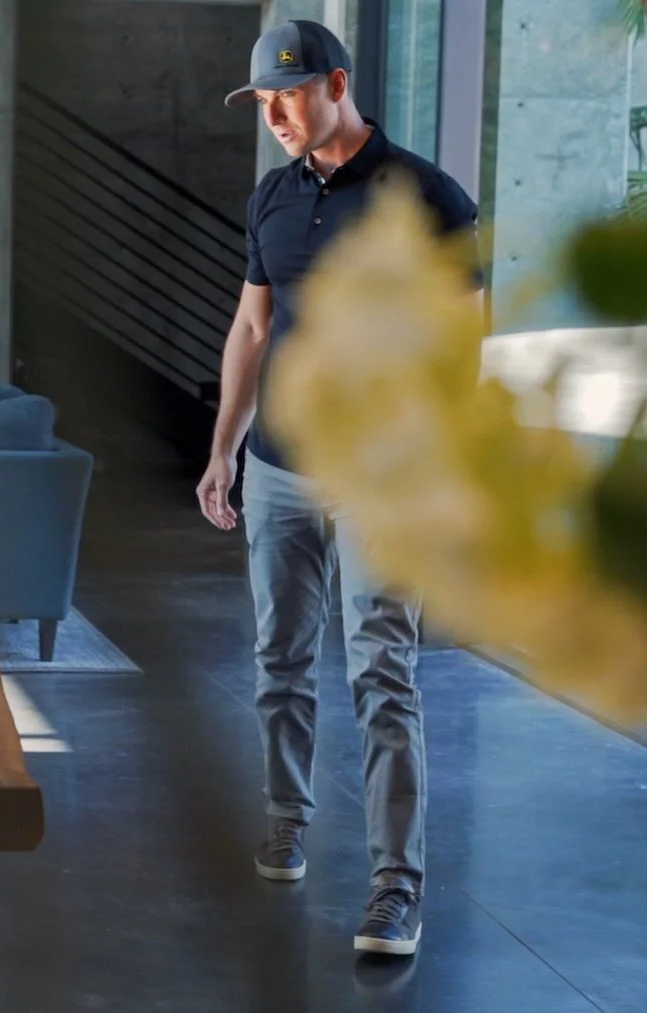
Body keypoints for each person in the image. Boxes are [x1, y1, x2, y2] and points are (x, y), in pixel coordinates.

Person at [199, 20, 479, 959]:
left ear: (338, 85)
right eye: (262, 103)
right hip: (278, 466)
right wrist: (223, 449)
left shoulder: (425, 196)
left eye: (288, 95)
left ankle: (397, 886)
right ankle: (286, 815)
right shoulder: (270, 198)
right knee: (279, 657)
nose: (274, 115)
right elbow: (251, 330)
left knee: (382, 673)